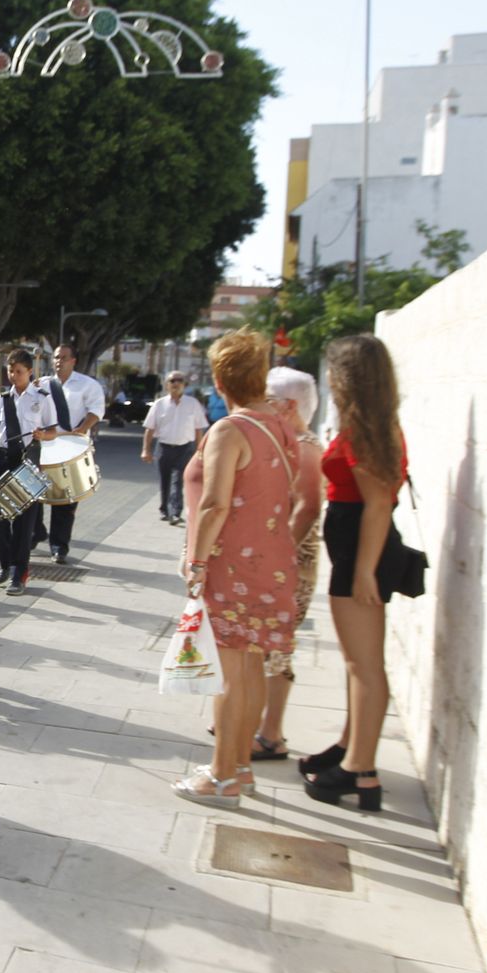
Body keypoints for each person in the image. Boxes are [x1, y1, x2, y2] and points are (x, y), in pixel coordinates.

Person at [172, 330, 301, 809]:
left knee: (227, 675)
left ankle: (222, 777)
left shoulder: (231, 429)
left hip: (233, 566)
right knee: (249, 669)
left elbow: (214, 504)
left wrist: (197, 560)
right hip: (273, 565)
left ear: (221, 378)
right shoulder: (281, 425)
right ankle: (241, 769)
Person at [300, 335, 409, 812]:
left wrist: (364, 571)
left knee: (364, 665)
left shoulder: (365, 430)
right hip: (354, 546)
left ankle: (361, 772)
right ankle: (351, 747)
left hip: (361, 552)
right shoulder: (370, 424)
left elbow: (380, 503)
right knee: (356, 663)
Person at [253, 366, 324, 762]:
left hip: (291, 564)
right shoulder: (287, 441)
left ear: (289, 405)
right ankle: (255, 721)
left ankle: (271, 734)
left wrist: (279, 557)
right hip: (278, 561)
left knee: (277, 648)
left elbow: (308, 506)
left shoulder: (305, 444)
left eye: (269, 399)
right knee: (265, 646)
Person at [0, 349, 58, 596]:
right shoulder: (2, 399)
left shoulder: (43, 397)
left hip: (29, 461)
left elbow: (54, 430)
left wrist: (42, 435)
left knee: (24, 523)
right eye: (10, 371)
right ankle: (6, 563)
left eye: (19, 371)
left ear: (29, 371)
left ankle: (19, 574)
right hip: (3, 459)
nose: (14, 375)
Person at [43, 343, 107, 564]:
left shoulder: (87, 385)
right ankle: (36, 532)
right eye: (56, 357)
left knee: (65, 499)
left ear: (73, 361)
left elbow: (97, 410)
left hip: (72, 447)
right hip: (46, 446)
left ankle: (59, 546)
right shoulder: (43, 384)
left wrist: (81, 429)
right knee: (33, 494)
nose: (59, 361)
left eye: (64, 357)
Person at [142, 371, 209, 525]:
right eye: (172, 381)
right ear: (167, 385)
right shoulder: (159, 404)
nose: (176, 383)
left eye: (180, 381)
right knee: (164, 480)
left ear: (184, 385)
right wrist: (146, 450)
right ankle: (164, 510)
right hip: (164, 448)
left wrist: (200, 450)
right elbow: (149, 429)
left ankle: (175, 512)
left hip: (185, 448)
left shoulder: (193, 404)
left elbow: (199, 429)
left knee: (177, 480)